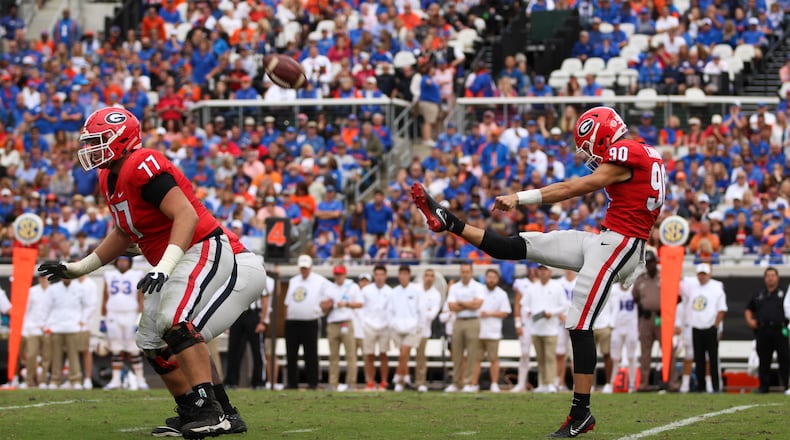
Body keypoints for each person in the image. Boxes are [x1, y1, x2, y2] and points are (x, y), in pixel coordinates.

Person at [412, 106, 662, 437]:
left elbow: (574, 188)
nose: (589, 153)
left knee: (578, 322)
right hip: (607, 239)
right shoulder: (642, 150)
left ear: (603, 134)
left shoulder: (627, 151)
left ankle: (581, 414)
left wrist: (521, 197)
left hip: (621, 244)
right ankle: (450, 222)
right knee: (520, 246)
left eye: (589, 145)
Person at [38, 107, 267, 438]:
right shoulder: (108, 176)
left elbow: (186, 215)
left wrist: (162, 267)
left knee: (177, 323)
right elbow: (123, 233)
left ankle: (211, 410)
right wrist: (77, 268)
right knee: (150, 340)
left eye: (100, 141)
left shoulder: (142, 163)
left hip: (199, 246)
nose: (91, 149)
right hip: (175, 259)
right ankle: (193, 409)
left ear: (123, 139)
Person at [632, 250, 678, 391]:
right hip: (646, 319)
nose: (649, 265)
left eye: (651, 262)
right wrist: (642, 309)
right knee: (645, 352)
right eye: (647, 263)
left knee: (668, 351)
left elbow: (675, 296)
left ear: (655, 262)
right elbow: (635, 298)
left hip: (662, 318)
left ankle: (673, 384)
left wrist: (665, 308)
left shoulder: (664, 276)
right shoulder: (641, 279)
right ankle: (644, 383)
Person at [283, 254, 331, 390]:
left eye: (306, 268)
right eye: (302, 268)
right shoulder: (293, 281)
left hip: (310, 321)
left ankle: (313, 382)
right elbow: (287, 302)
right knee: (291, 354)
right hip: (292, 322)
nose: (304, 270)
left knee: (310, 354)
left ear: (310, 267)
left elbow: (330, 296)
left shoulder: (320, 281)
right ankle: (292, 383)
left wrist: (321, 310)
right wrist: (287, 317)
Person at [101, 256, 146, 390]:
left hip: (130, 314)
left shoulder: (137, 275)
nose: (122, 263)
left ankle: (140, 380)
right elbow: (104, 297)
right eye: (120, 260)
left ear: (130, 262)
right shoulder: (109, 275)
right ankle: (115, 380)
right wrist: (102, 318)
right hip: (113, 314)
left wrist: (140, 318)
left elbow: (141, 298)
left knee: (134, 348)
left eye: (125, 260)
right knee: (115, 348)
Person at [681, 263, 727, 393]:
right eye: (700, 274)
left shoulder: (716, 287)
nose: (702, 277)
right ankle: (700, 387)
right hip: (696, 327)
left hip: (710, 327)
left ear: (709, 274)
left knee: (713, 359)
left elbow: (722, 309)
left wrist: (716, 325)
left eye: (704, 274)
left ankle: (715, 386)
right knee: (699, 359)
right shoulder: (692, 286)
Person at [744, 267, 789, 393]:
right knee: (764, 360)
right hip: (763, 330)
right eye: (768, 275)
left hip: (781, 330)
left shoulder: (784, 292)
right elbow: (748, 308)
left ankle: (787, 386)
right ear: (765, 278)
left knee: (784, 359)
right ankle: (763, 387)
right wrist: (749, 320)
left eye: (773, 275)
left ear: (777, 277)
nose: (770, 278)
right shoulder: (758, 293)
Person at [523, 264, 567, 393]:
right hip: (536, 328)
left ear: (550, 272)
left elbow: (563, 306)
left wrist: (551, 313)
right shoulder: (532, 288)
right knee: (540, 357)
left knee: (549, 357)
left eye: (545, 270)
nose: (543, 273)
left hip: (551, 329)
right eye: (540, 270)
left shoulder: (557, 287)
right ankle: (542, 383)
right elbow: (525, 305)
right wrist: (529, 311)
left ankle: (551, 383)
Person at [224, 271, 270, 390]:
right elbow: (229, 301)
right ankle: (231, 381)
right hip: (238, 315)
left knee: (257, 350)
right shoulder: (235, 279)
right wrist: (227, 321)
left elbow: (265, 301)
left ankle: (259, 381)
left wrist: (262, 321)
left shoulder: (259, 280)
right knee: (234, 349)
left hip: (253, 315)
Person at [444, 262, 485, 393]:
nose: (465, 274)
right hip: (458, 321)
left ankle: (468, 382)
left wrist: (460, 303)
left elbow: (477, 304)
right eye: (463, 272)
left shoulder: (478, 286)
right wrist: (469, 304)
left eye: (467, 272)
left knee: (472, 353)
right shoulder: (455, 287)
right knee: (456, 353)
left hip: (473, 321)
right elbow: (451, 306)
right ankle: (456, 382)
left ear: (471, 273)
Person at [325, 264, 363, 392]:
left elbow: (360, 303)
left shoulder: (352, 287)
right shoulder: (330, 287)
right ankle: (333, 383)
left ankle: (351, 383)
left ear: (345, 274)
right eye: (336, 274)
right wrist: (327, 305)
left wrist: (346, 304)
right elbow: (323, 306)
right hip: (333, 322)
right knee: (333, 356)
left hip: (346, 321)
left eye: (340, 274)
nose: (338, 277)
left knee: (350, 354)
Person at [475, 268, 511, 392]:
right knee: (476, 359)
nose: (491, 280)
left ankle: (494, 383)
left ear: (497, 279)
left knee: (493, 359)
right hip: (478, 331)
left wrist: (489, 314)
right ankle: (473, 384)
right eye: (489, 277)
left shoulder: (502, 294)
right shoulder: (478, 291)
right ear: (485, 278)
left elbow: (505, 312)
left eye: (493, 277)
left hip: (493, 332)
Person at [389, 265, 422, 391]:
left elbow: (421, 310)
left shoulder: (416, 290)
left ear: (409, 275)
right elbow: (390, 311)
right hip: (397, 328)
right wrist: (393, 324)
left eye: (405, 274)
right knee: (403, 355)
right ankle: (407, 378)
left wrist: (418, 326)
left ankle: (396, 378)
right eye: (401, 274)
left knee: (404, 353)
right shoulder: (394, 292)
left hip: (412, 328)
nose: (403, 276)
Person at [360, 265, 392, 391]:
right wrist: (364, 323)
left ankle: (384, 382)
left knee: (384, 354)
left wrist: (389, 324)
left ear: (385, 276)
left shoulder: (390, 291)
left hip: (385, 326)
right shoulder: (366, 290)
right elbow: (362, 308)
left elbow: (392, 310)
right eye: (377, 275)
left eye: (381, 274)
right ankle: (370, 382)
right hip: (369, 326)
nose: (379, 277)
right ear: (374, 276)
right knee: (370, 355)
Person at [22, 275, 53, 389]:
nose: (43, 280)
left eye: (45, 277)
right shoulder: (32, 291)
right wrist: (25, 328)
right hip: (33, 327)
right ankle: (29, 380)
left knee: (46, 356)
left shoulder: (53, 291)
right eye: (41, 277)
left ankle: (43, 380)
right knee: (31, 355)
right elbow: (27, 310)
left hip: (47, 328)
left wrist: (49, 325)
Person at [608, 281, 639, 393]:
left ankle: (631, 384)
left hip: (631, 327)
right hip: (617, 326)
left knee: (631, 357)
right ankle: (611, 384)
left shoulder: (635, 289)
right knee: (615, 358)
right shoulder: (614, 290)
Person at [414, 269, 442, 393]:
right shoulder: (415, 289)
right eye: (427, 275)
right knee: (404, 354)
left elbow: (432, 314)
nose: (429, 278)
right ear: (423, 277)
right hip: (409, 327)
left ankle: (420, 382)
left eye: (431, 276)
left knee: (420, 357)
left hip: (423, 329)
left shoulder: (436, 294)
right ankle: (401, 380)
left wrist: (421, 313)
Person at [511, 263, 534, 393]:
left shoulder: (542, 283)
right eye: (530, 269)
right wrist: (517, 323)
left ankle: (544, 383)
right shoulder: (522, 283)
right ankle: (521, 383)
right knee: (524, 354)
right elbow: (517, 305)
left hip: (540, 324)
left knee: (543, 355)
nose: (532, 271)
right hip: (526, 324)